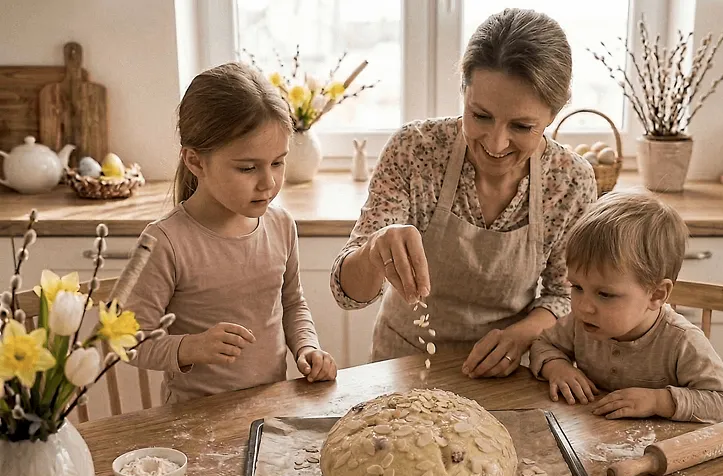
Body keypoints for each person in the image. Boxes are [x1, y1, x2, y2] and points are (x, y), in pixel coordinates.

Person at [329, 8, 596, 378]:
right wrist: (374, 251)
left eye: (521, 126)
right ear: (464, 91)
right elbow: (348, 293)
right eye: (480, 116)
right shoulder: (415, 149)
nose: (496, 142)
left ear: (554, 113)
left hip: (503, 373)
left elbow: (565, 294)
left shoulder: (569, 181)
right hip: (403, 365)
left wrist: (522, 334)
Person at [127, 63, 337, 403]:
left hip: (270, 409)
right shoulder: (165, 242)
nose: (268, 182)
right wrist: (190, 347)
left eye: (278, 163)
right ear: (196, 162)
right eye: (247, 168)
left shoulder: (281, 225)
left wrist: (307, 348)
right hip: (194, 420)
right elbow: (128, 341)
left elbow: (293, 303)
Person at [530, 191, 723, 424]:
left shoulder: (682, 341)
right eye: (577, 287)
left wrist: (658, 401)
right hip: (595, 440)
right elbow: (543, 344)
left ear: (657, 294)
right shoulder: (579, 324)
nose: (583, 306)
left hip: (662, 452)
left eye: (605, 294)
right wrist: (556, 366)